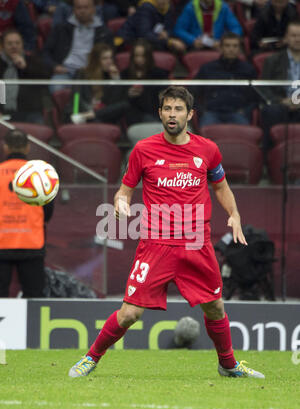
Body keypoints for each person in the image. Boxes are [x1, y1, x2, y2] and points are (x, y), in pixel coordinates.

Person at [69, 85, 265, 379]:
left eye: (178, 109)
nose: (172, 115)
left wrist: (234, 214)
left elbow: (221, 186)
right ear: (160, 113)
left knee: (215, 308)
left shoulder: (207, 149)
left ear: (190, 114)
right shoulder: (143, 150)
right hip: (155, 245)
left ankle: (228, 364)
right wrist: (121, 204)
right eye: (167, 109)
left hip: (196, 244)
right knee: (129, 314)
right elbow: (124, 190)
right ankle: (90, 358)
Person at [0, 129, 54, 297]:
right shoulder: (40, 174)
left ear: (5, 147)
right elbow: (48, 210)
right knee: (34, 297)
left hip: (1, 243)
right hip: (32, 242)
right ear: (28, 147)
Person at [42, 0, 113, 93]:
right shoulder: (61, 29)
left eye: (86, 7)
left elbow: (111, 56)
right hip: (66, 72)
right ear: (73, 10)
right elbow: (46, 52)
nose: (82, 11)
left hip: (92, 73)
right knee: (57, 87)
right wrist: (54, 66)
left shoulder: (104, 32)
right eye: (79, 8)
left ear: (93, 9)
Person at [193, 32, 257, 126]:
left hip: (238, 113)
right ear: (221, 48)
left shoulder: (248, 70)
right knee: (206, 137)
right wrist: (202, 111)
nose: (231, 49)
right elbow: (193, 92)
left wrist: (246, 111)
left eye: (235, 46)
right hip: (211, 113)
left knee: (244, 134)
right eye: (227, 46)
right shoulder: (207, 68)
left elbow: (256, 97)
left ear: (239, 49)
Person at [260, 19, 300, 150]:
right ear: (286, 38)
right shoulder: (273, 60)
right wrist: (282, 101)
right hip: (281, 105)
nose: (297, 39)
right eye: (293, 35)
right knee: (270, 111)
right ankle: (269, 158)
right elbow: (263, 88)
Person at [66, 42, 130, 124]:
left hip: (100, 115)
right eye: (105, 58)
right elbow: (76, 96)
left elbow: (115, 102)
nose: (109, 61)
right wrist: (88, 110)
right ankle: (90, 115)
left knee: (125, 105)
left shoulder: (110, 75)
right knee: (98, 119)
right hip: (81, 114)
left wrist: (116, 79)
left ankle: (91, 115)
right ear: (96, 60)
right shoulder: (82, 73)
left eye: (110, 58)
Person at [0, 29, 52, 123]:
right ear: (3, 46)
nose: (14, 46)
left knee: (38, 125)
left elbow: (44, 81)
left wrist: (25, 67)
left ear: (22, 45)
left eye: (17, 43)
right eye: (10, 43)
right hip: (2, 112)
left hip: (29, 111)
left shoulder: (33, 60)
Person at [115, 0, 186, 53]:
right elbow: (144, 34)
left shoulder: (168, 7)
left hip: (153, 38)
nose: (163, 1)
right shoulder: (146, 7)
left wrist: (167, 33)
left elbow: (170, 27)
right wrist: (169, 42)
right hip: (129, 39)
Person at [173, 0, 243, 51]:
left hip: (218, 44)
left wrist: (223, 41)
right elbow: (179, 29)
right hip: (196, 45)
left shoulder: (223, 7)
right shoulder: (190, 7)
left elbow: (236, 28)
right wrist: (193, 40)